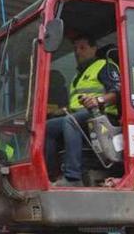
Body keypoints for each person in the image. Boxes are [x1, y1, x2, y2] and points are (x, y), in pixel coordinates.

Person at [44, 34, 120, 186]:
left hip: (103, 115)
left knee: (71, 121)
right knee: (47, 127)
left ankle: (73, 177)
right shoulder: (78, 76)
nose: (78, 52)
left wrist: (98, 100)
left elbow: (117, 91)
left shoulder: (104, 66)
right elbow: (75, 105)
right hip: (81, 115)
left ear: (94, 49)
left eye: (82, 48)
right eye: (76, 49)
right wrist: (55, 112)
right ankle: (52, 175)